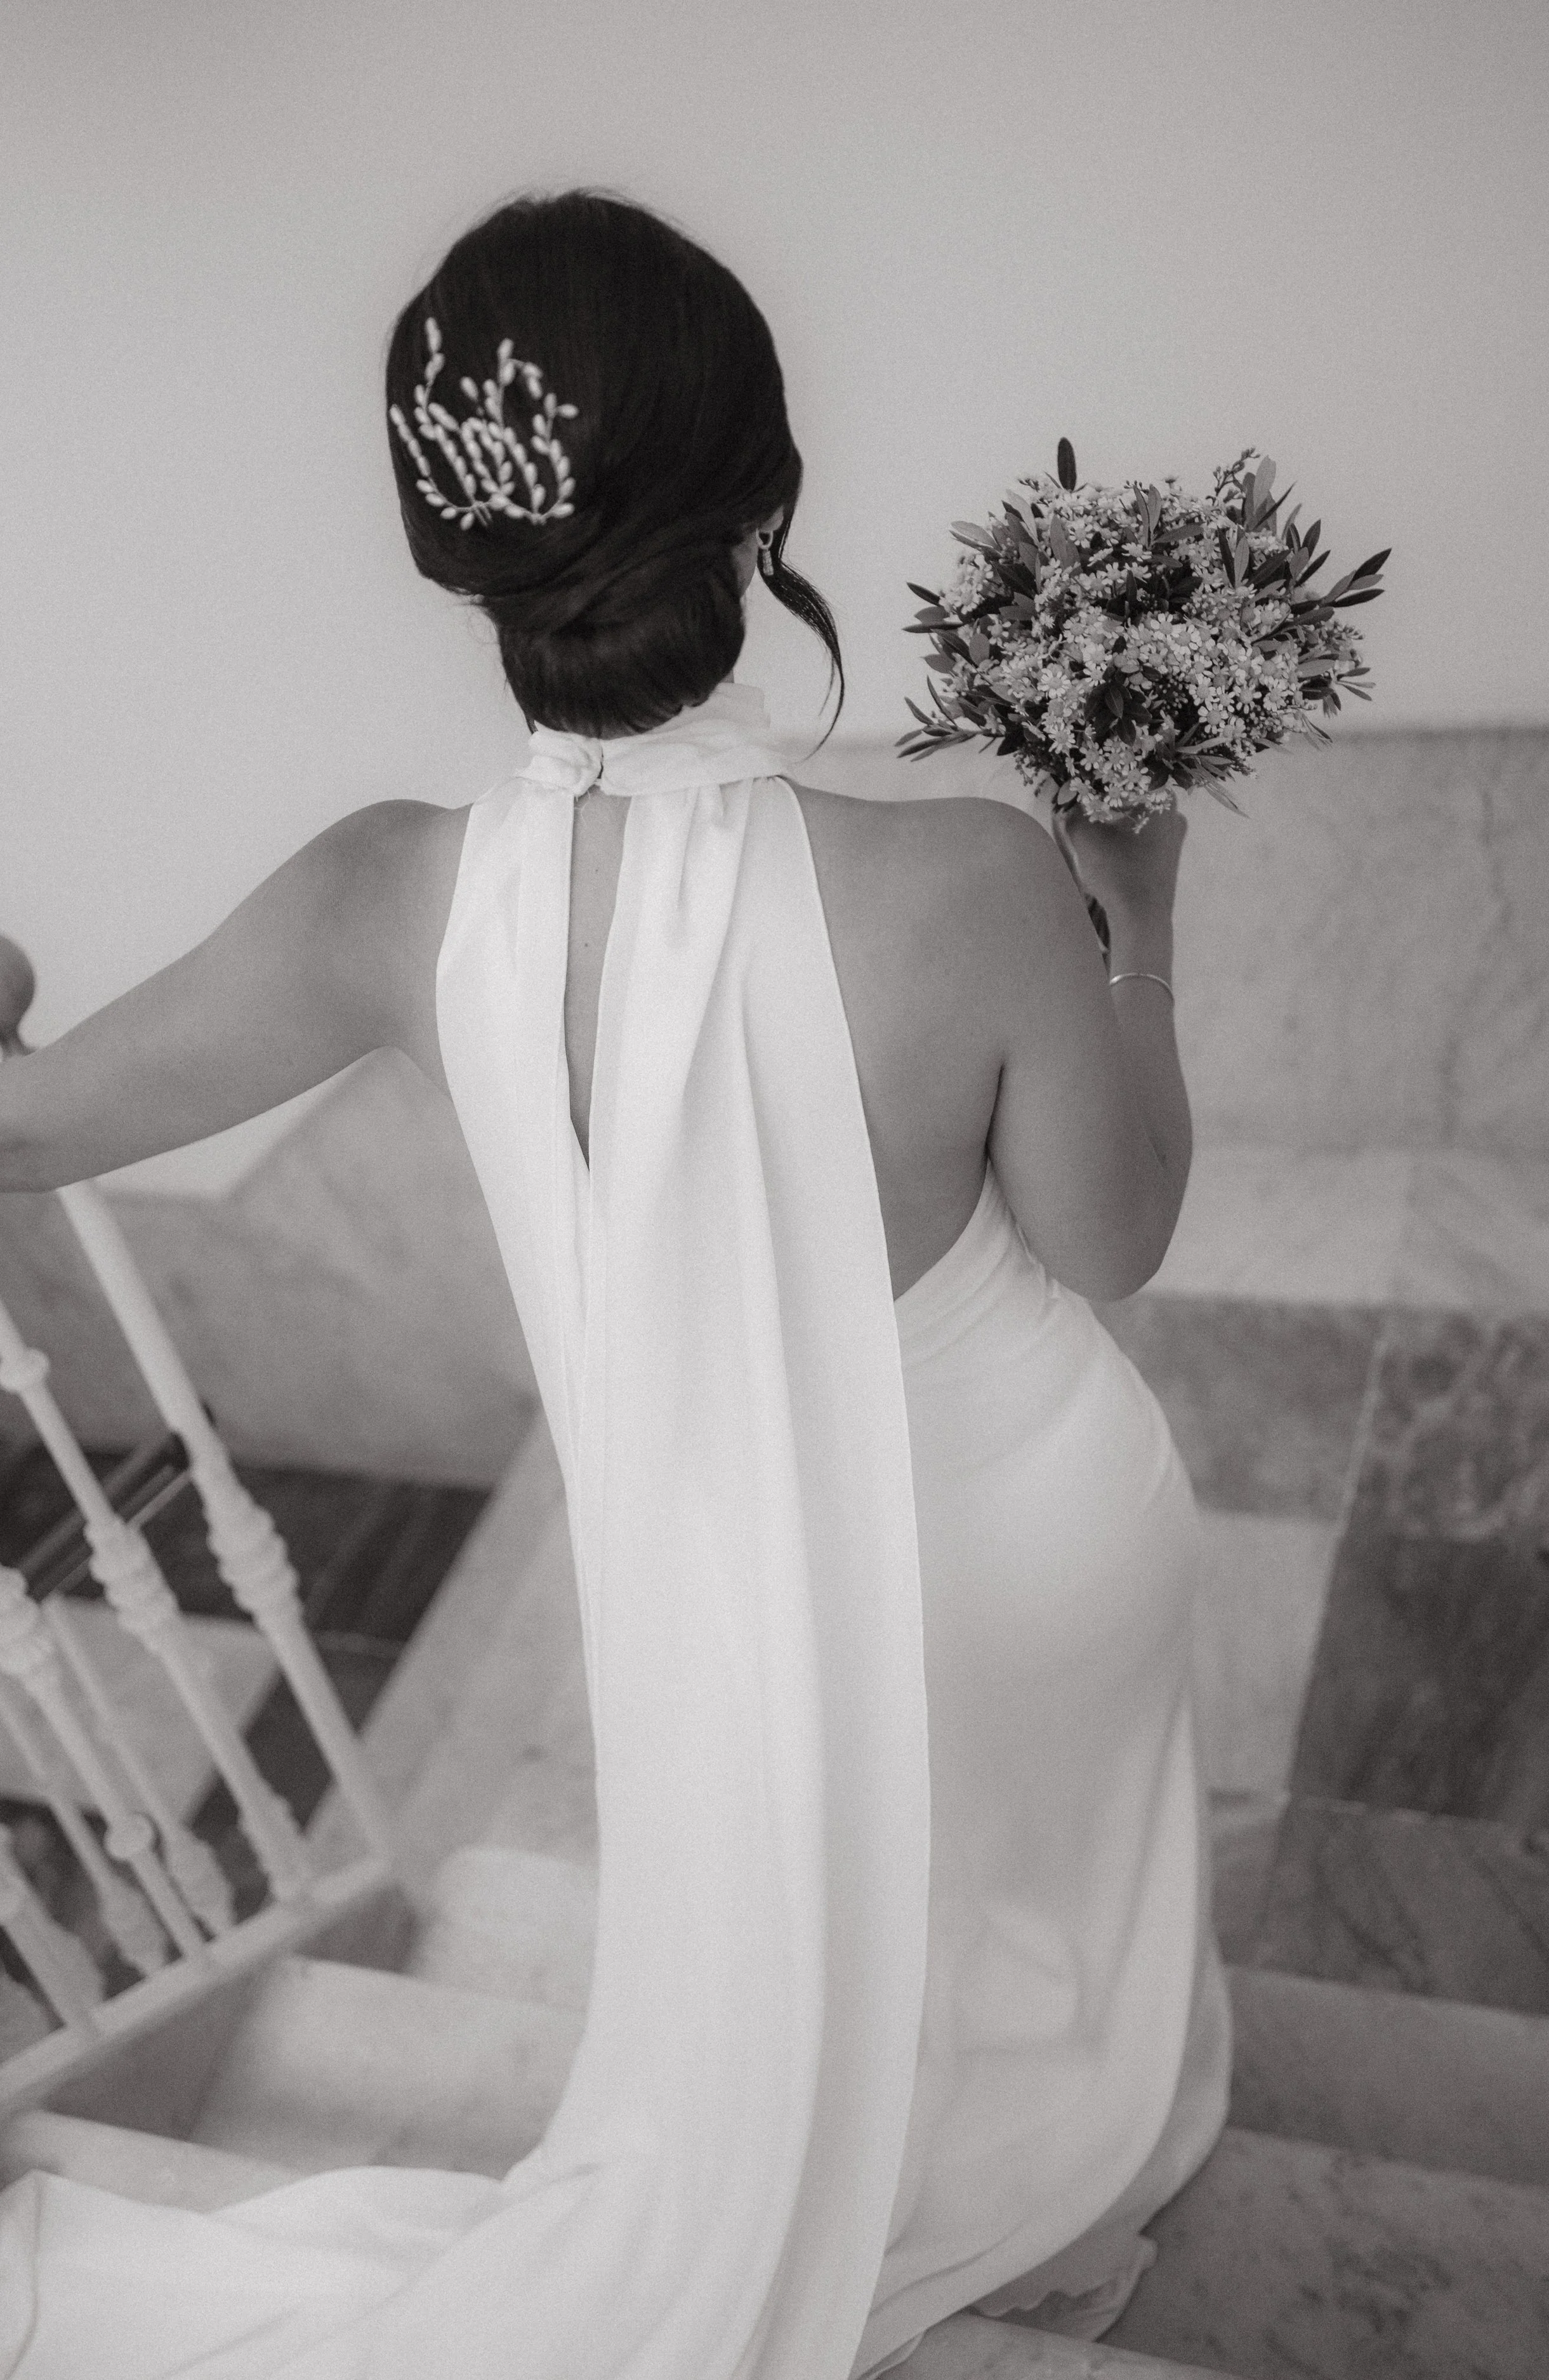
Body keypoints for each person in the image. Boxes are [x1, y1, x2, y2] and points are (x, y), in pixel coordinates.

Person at [0, 188, 1229, 2379]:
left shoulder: (379, 898)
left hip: (749, 1594)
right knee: (1016, 1890)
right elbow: (1117, 1238)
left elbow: (25, 1127)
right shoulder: (968, 879)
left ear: (456, 554)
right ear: (764, 502)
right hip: (1035, 1557)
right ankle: (1043, 2144)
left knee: (849, 1878)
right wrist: (1133, 918)